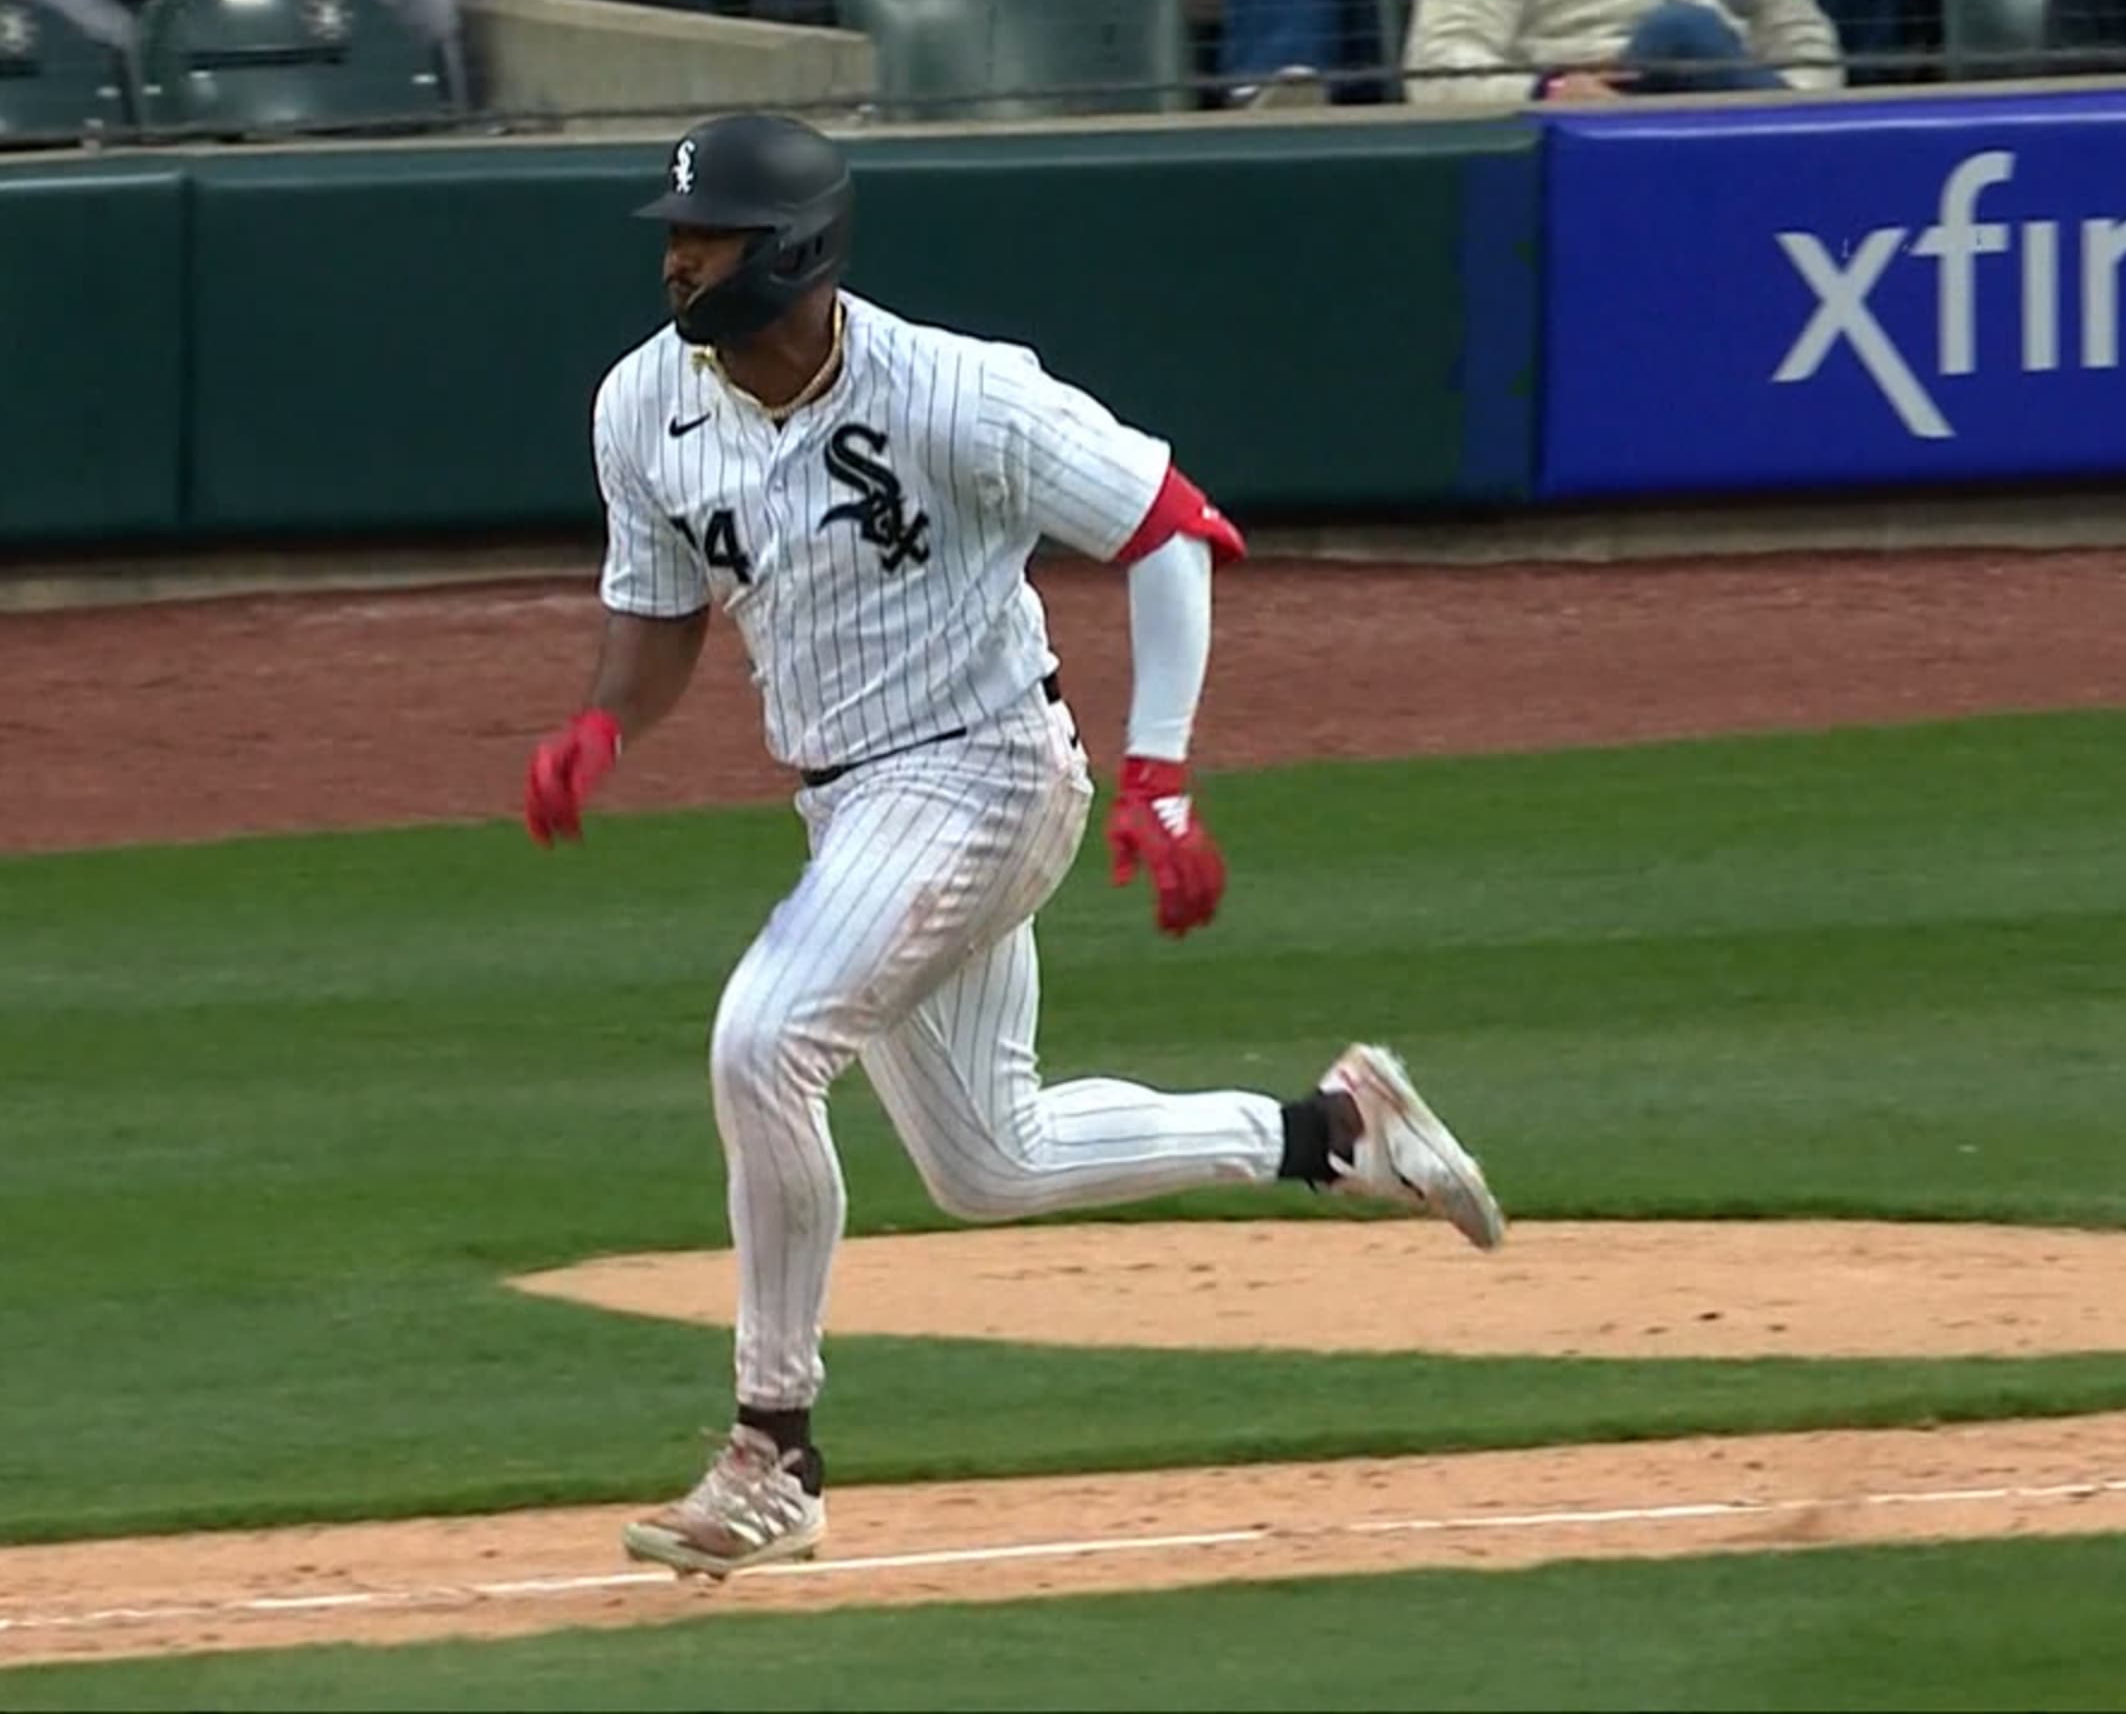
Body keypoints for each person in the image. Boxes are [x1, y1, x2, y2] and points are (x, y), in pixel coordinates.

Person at [521, 111, 1510, 1582]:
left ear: (784, 251)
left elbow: (1171, 528)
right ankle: (1333, 1133)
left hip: (985, 772)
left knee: (763, 1039)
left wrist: (1160, 775)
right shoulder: (642, 406)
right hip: (853, 800)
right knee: (993, 1160)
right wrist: (605, 728)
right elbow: (659, 615)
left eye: (703, 236)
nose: (674, 262)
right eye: (673, 234)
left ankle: (771, 1452)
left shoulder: (957, 392)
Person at [1403, 0, 1843, 102]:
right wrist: (1547, 91)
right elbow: (1437, 64)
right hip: (1595, 116)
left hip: (1726, 110)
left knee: (1687, 33)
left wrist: (1796, 107)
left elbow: (1805, 43)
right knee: (1679, 32)